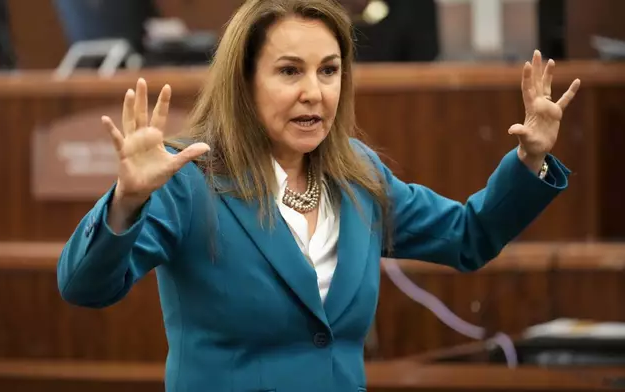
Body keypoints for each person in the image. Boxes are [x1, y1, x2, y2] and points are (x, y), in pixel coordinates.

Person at [56, 0, 581, 390]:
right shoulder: (192, 180)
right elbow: (84, 286)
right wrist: (126, 200)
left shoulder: (359, 176)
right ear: (243, 82)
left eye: (329, 70)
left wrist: (529, 160)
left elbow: (468, 237)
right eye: (289, 71)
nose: (314, 91)